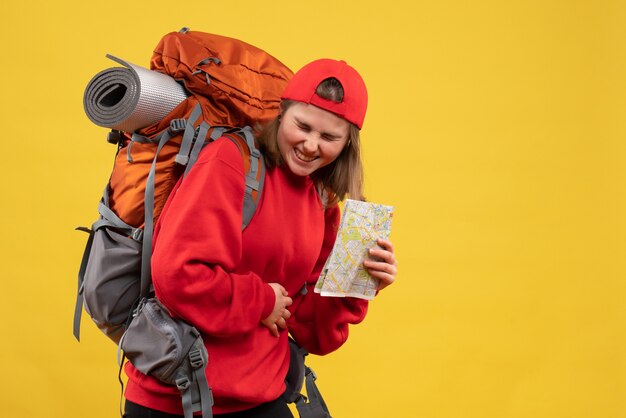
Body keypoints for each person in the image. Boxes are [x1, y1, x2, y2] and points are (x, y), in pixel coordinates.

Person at [122, 58, 398, 418]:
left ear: (347, 144)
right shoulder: (229, 161)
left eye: (329, 137)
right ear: (282, 114)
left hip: (262, 397)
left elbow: (311, 328)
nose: (311, 145)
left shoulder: (322, 198)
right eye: (303, 126)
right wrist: (262, 300)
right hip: (178, 399)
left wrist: (357, 284)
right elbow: (177, 275)